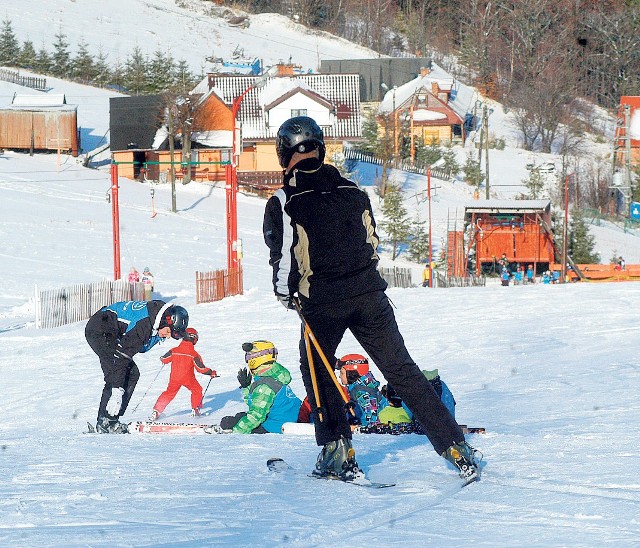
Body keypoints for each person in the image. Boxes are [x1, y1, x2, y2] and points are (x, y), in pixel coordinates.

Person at [262, 115, 480, 483]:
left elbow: (282, 258)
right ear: (321, 148)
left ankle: (337, 451)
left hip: (322, 303)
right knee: (402, 370)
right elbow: (371, 242)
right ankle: (454, 445)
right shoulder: (353, 191)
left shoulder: (284, 200)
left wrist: (287, 296)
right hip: (368, 296)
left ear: (284, 154)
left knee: (318, 371)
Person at [85, 300, 189, 433]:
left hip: (109, 329)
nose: (168, 336)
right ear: (166, 321)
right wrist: (117, 392)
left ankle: (109, 420)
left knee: (131, 373)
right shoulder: (144, 325)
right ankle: (106, 422)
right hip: (99, 330)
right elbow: (122, 356)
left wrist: (155, 336)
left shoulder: (157, 315)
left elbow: (138, 346)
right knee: (117, 372)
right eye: (169, 332)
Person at [220, 341, 302, 434]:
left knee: (230, 422)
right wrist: (247, 387)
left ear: (256, 358)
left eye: (248, 357)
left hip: (275, 426)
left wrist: (236, 431)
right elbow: (257, 403)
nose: (247, 361)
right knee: (240, 416)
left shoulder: (265, 386)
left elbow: (257, 415)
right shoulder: (277, 376)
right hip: (287, 419)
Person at [150, 328, 218, 421]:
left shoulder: (174, 350)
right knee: (197, 389)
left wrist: (163, 359)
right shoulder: (193, 354)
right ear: (194, 338)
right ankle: (195, 409)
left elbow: (164, 359)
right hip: (188, 378)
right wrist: (211, 372)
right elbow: (201, 369)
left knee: (169, 393)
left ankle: (156, 411)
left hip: (174, 378)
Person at [337, 354, 388, 427]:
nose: (340, 376)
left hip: (366, 425)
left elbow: (372, 415)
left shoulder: (362, 392)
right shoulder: (358, 387)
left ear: (352, 374)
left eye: (342, 373)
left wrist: (359, 428)